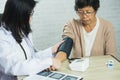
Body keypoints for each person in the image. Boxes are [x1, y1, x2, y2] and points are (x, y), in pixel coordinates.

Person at [0, 0, 62, 80]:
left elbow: (31, 57)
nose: (32, 17)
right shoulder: (2, 38)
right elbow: (14, 67)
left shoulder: (22, 31)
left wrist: (51, 51)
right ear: (20, 15)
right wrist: (48, 62)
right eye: (30, 14)